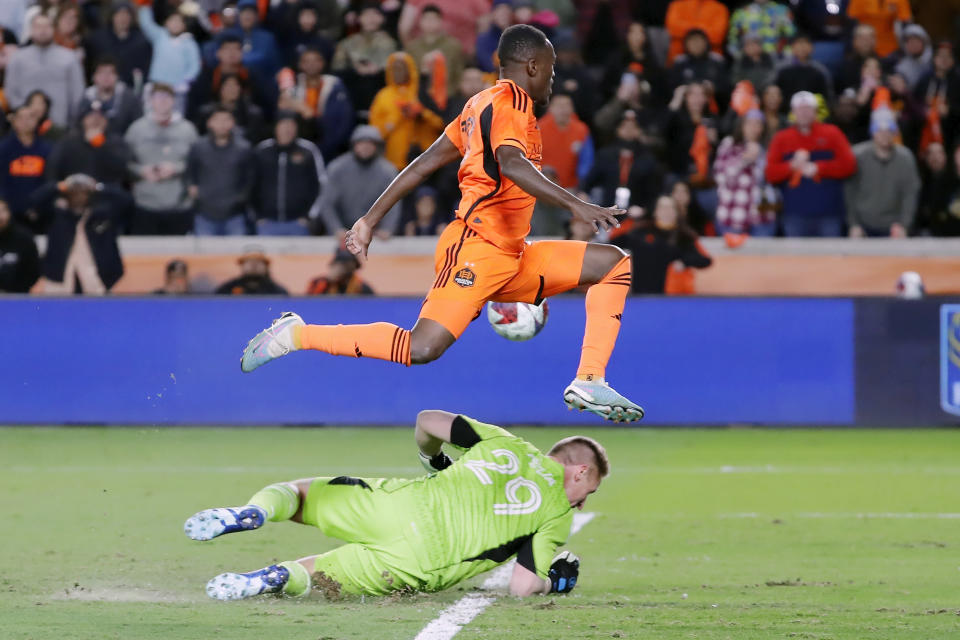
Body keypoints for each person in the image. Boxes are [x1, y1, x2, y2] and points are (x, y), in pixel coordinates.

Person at [240, 25, 644, 422]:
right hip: (475, 246)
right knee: (422, 347)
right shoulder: (511, 103)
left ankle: (589, 378)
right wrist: (578, 205)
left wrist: (369, 219)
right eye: (552, 71)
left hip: (514, 254)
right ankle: (296, 334)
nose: (553, 82)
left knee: (612, 263)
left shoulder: (478, 105)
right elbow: (512, 163)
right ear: (534, 66)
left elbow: (424, 164)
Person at [184, 410, 603, 600]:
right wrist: (555, 583)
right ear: (580, 471)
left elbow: (427, 421)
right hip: (420, 561)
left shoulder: (503, 441)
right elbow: (522, 586)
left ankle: (252, 513)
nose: (583, 504)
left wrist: (432, 459)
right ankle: (269, 578)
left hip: (397, 506)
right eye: (590, 491)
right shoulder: (557, 514)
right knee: (317, 575)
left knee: (297, 494)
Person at [765, 90, 856, 237]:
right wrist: (791, 166)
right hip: (794, 215)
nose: (804, 113)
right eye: (800, 109)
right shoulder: (781, 138)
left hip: (829, 214)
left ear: (815, 111)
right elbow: (770, 174)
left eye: (807, 108)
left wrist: (819, 168)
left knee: (831, 258)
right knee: (796, 259)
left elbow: (849, 165)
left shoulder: (832, 133)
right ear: (793, 112)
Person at [33, 174, 128, 294]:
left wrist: (98, 186)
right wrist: (61, 186)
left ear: (90, 195)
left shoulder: (101, 216)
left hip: (98, 280)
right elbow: (34, 201)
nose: (78, 197)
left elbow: (126, 200)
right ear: (67, 195)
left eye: (83, 192)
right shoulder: (57, 216)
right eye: (74, 192)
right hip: (59, 279)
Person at [125, 83, 198, 235]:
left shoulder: (188, 130)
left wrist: (176, 168)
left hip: (179, 204)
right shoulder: (136, 129)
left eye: (167, 97)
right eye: (158, 97)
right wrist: (141, 171)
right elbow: (123, 163)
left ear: (174, 101)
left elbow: (198, 163)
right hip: (145, 204)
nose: (162, 101)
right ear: (150, 101)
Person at [611, 194, 711, 295]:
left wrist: (685, 262)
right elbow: (614, 241)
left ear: (676, 212)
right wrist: (629, 219)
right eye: (662, 207)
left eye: (670, 208)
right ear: (655, 211)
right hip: (641, 294)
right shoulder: (641, 230)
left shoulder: (685, 235)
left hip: (673, 296)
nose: (666, 211)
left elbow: (705, 259)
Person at [844, 109, 920, 238]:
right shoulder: (857, 155)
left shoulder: (905, 158)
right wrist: (853, 224)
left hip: (894, 227)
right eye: (879, 129)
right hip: (863, 226)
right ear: (873, 132)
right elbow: (849, 192)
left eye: (889, 130)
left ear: (895, 132)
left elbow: (910, 194)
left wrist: (904, 225)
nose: (884, 134)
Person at [317, 125, 402, 236]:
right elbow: (327, 203)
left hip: (374, 234)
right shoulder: (337, 168)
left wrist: (387, 229)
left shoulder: (388, 172)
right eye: (362, 143)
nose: (366, 147)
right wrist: (336, 229)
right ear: (354, 145)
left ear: (377, 146)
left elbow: (393, 204)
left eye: (370, 143)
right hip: (342, 233)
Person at [3, 14, 84, 128]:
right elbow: (10, 91)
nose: (43, 30)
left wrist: (73, 122)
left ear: (54, 29)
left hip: (59, 124)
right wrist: (24, 114)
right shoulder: (18, 58)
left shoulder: (69, 57)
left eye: (47, 26)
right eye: (38, 26)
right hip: (26, 127)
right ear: (31, 30)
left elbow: (77, 93)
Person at [251, 112, 326, 236]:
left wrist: (308, 216)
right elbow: (251, 184)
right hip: (266, 222)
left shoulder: (308, 150)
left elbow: (321, 185)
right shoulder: (262, 151)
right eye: (283, 125)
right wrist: (258, 217)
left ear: (297, 128)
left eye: (291, 125)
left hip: (299, 223)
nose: (287, 129)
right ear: (276, 127)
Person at [369, 52, 444, 170]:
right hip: (395, 162)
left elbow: (442, 124)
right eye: (394, 68)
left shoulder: (424, 93)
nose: (398, 72)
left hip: (425, 159)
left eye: (402, 67)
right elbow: (375, 133)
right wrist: (397, 116)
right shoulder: (383, 96)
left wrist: (421, 114)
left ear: (410, 69)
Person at [277, 46, 354, 162]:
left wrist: (308, 113)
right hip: (299, 149)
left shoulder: (336, 87)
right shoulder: (292, 87)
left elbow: (343, 122)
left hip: (330, 149)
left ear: (322, 63)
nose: (311, 64)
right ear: (300, 65)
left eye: (315, 60)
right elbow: (282, 113)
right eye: (306, 61)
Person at [187, 106, 253, 236]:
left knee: (236, 255)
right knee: (205, 256)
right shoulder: (198, 148)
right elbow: (190, 173)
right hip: (205, 215)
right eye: (217, 120)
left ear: (233, 123)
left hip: (235, 215)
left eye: (226, 120)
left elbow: (250, 179)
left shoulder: (244, 149)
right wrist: (192, 187)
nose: (222, 124)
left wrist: (240, 200)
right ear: (209, 123)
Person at [713, 110, 775, 235]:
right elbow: (721, 178)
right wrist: (745, 159)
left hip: (762, 217)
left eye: (758, 124)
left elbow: (772, 179)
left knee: (762, 254)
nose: (753, 128)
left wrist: (761, 158)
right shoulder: (729, 144)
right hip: (733, 215)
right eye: (750, 123)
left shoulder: (768, 148)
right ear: (741, 126)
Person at [45, 101, 130, 187]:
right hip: (72, 192)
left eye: (101, 117)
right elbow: (53, 170)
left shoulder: (116, 143)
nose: (96, 120)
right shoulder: (68, 142)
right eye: (91, 116)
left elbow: (124, 170)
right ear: (83, 120)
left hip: (106, 194)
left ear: (107, 121)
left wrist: (101, 145)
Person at [330, 3, 397, 112]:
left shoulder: (392, 43)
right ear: (359, 18)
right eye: (366, 15)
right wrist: (356, 70)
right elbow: (337, 69)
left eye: (375, 14)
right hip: (354, 89)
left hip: (381, 87)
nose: (371, 19)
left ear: (382, 18)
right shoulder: (347, 43)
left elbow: (396, 70)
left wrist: (378, 70)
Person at [137, 3, 200, 106]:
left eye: (178, 21)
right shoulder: (160, 36)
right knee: (152, 112)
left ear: (184, 25)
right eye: (172, 20)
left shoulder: (189, 42)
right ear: (166, 23)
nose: (175, 24)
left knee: (176, 114)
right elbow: (146, 24)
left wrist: (186, 81)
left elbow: (194, 65)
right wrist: (145, 6)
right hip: (157, 85)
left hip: (177, 88)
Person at [0, 103, 50, 231]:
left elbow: (50, 180)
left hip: (40, 213)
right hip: (10, 214)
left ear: (37, 121)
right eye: (21, 118)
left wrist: (37, 206)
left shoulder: (47, 149)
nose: (26, 121)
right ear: (14, 122)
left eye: (30, 117)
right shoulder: (4, 148)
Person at [83, 2, 152, 89]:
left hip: (129, 89)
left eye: (126, 15)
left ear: (131, 18)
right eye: (119, 14)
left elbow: (144, 71)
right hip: (102, 88)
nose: (123, 18)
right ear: (112, 16)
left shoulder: (141, 42)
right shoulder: (98, 39)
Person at [404, 5, 464, 97]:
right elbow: (408, 75)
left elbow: (459, 74)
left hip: (448, 97)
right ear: (420, 22)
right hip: (418, 97)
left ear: (441, 22)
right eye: (426, 19)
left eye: (433, 19)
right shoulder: (412, 47)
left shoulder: (453, 46)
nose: (430, 23)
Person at [76, 56, 143, 136]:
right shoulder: (86, 97)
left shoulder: (130, 99)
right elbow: (77, 126)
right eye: (101, 72)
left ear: (117, 76)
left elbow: (138, 127)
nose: (106, 77)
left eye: (111, 73)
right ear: (94, 77)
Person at [538, 92, 592, 190]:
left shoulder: (581, 130)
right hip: (540, 186)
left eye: (567, 105)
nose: (563, 109)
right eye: (559, 106)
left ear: (572, 109)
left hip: (569, 188)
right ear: (550, 108)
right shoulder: (538, 128)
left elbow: (586, 161)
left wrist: (582, 187)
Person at [773, 32, 833, 106]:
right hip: (785, 113)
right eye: (799, 43)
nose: (802, 47)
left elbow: (828, 95)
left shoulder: (820, 70)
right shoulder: (781, 68)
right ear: (792, 47)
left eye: (805, 43)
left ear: (812, 48)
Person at [726, 0, 794, 60]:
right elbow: (733, 38)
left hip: (775, 59)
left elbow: (791, 36)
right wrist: (740, 56)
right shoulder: (742, 12)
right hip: (749, 59)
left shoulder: (782, 11)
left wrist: (784, 55)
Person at [664, 0, 729, 63]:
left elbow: (718, 36)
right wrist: (701, 29)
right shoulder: (677, 5)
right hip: (679, 55)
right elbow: (673, 29)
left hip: (710, 60)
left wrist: (691, 28)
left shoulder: (720, 9)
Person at [0, 196, 39, 292]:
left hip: (19, 296)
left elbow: (35, 272)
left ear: (9, 213)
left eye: (3, 211)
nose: (0, 216)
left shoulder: (24, 238)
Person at [215, 247, 288, 295]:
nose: (254, 265)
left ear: (265, 266)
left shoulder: (277, 291)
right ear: (242, 265)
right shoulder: (228, 289)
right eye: (249, 262)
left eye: (258, 262)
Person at [306, 245, 375, 294]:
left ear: (354, 266)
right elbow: (310, 304)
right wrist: (328, 280)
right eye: (339, 265)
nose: (341, 269)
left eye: (346, 265)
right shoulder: (319, 283)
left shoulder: (362, 287)